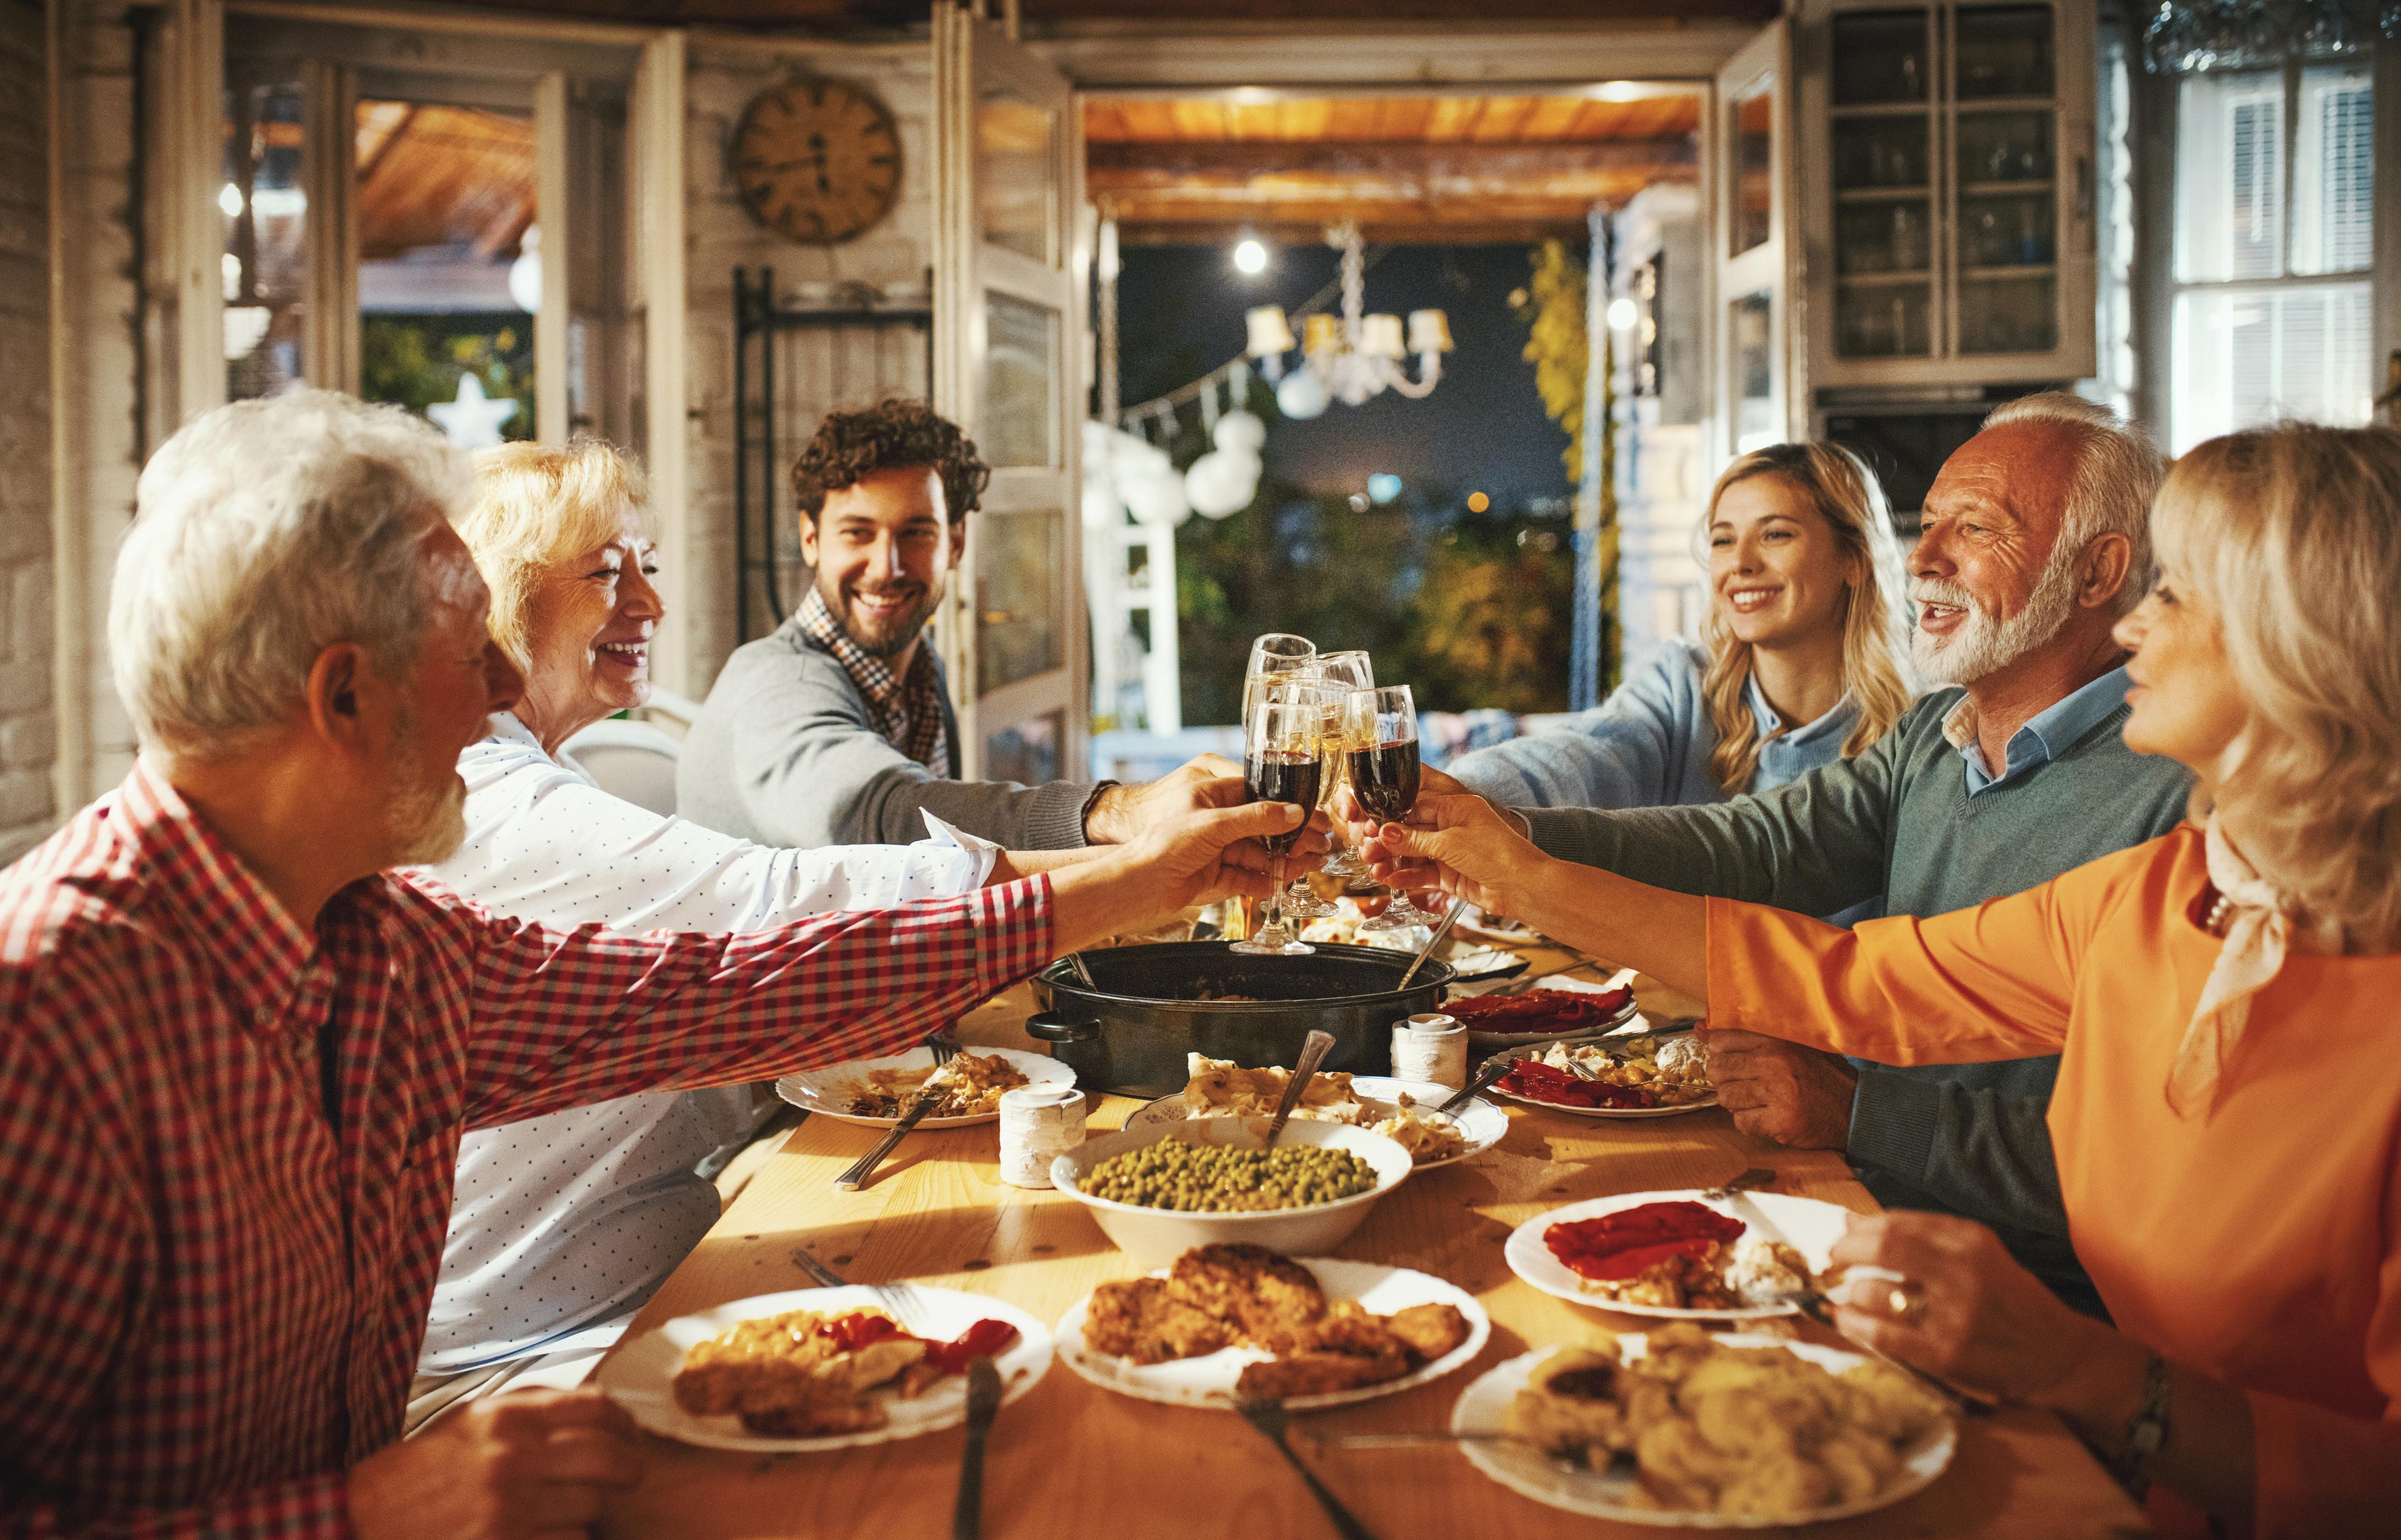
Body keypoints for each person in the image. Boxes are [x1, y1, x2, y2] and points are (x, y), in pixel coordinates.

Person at [0, 391, 1307, 1537]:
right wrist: (358, 1518)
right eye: (472, 655)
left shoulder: (382, 945)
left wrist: (1132, 885)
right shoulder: (49, 1021)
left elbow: (729, 991)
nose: (507, 689)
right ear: (343, 698)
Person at [1360, 421, 2401, 1536]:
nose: (2142, 617)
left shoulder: (2184, 860)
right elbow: (1844, 971)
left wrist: (2093, 1375)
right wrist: (1509, 856)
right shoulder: (2176, 891)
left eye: (2180, 593)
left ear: (2304, 645)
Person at [1373, 393, 2191, 1314]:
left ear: (2098, 572)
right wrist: (1510, 833)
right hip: (1851, 1200)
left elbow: (2160, 1167)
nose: (1924, 559)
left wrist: (1861, 1109)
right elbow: (1759, 843)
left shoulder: (2177, 795)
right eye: (1927, 526)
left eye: (1975, 528)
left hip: (2035, 1293)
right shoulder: (1936, 733)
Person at [412, 440, 1113, 1427]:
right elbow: (806, 884)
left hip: (658, 1261)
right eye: (609, 574)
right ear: (504, 595)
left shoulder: (522, 777)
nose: (650, 605)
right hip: (527, 1354)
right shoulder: (509, 806)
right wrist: (1149, 861)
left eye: (647, 569)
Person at [682, 398, 1224, 850]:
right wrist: (1115, 811)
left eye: (916, 532)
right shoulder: (775, 682)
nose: (887, 566)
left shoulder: (919, 664)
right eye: (857, 532)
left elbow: (937, 869)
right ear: (810, 539)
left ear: (955, 542)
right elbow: (879, 816)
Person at [1449, 441, 1913, 813]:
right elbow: (1586, 755)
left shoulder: (1915, 733)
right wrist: (1459, 791)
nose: (1740, 563)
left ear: (1854, 559)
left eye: (1775, 534)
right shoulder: (1683, 687)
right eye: (1723, 539)